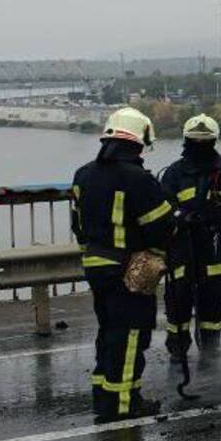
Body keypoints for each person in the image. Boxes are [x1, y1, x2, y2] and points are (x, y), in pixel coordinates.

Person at [70, 108, 174, 421]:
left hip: (96, 266)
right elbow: (161, 227)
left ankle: (104, 399)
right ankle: (125, 404)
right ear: (139, 141)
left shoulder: (83, 174)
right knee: (130, 336)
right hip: (128, 270)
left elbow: (78, 225)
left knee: (108, 332)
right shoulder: (138, 179)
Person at [159, 114, 221, 361]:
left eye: (204, 141)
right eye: (195, 141)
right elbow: (163, 205)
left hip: (216, 248)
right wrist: (180, 216)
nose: (200, 146)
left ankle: (210, 350)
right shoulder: (174, 173)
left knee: (212, 305)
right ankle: (178, 350)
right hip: (183, 248)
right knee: (178, 304)